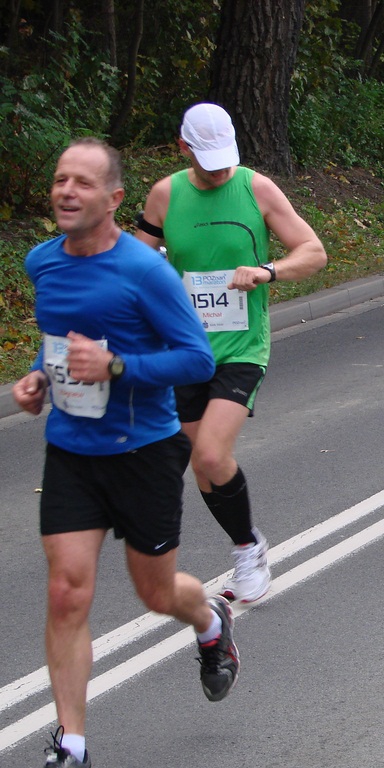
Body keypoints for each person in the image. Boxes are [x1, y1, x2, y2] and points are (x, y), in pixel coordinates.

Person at [13, 138, 237, 768]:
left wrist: (114, 365)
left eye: (83, 183)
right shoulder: (43, 263)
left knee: (157, 594)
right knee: (66, 591)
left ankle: (211, 620)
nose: (66, 191)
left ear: (113, 200)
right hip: (72, 450)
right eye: (60, 179)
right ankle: (73, 743)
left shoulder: (146, 272)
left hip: (144, 450)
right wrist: (38, 379)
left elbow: (195, 358)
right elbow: (57, 341)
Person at [136, 103, 327, 602]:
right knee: (204, 466)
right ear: (183, 148)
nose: (220, 169)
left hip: (242, 347)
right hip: (184, 349)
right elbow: (134, 267)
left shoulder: (255, 188)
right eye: (207, 158)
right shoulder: (165, 196)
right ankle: (249, 544)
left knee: (210, 452)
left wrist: (267, 271)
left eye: (226, 158)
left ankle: (247, 556)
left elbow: (313, 252)